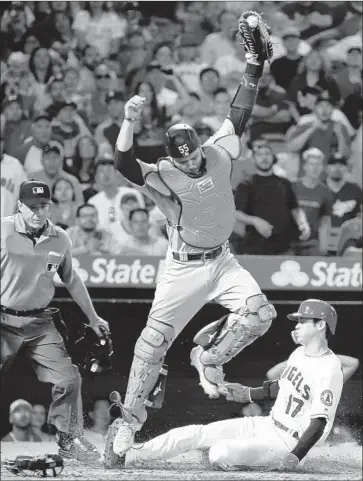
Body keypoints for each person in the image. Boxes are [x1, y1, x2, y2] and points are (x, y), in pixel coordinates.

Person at [105, 12, 278, 465]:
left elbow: (239, 110)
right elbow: (123, 166)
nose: (192, 163)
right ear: (172, 159)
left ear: (199, 145)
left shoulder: (218, 151)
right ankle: (127, 425)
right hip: (183, 267)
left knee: (260, 315)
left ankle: (211, 358)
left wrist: (254, 65)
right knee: (151, 343)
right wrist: (128, 120)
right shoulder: (163, 173)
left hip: (223, 261)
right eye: (184, 160)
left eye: (194, 154)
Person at [122, 299, 343, 472]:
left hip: (289, 442)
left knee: (219, 452)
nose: (297, 325)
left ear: (320, 325)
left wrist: (295, 456)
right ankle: (131, 454)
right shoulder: (299, 353)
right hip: (268, 424)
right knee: (198, 433)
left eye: (303, 321)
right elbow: (281, 387)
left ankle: (242, 459)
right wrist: (248, 394)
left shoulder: (330, 368)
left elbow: (319, 422)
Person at [1, 179, 110, 461]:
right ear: (20, 206)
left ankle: (69, 438)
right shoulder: (2, 230)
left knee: (69, 377)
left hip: (39, 322)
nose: (39, 212)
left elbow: (71, 279)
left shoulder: (59, 238)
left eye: (44, 206)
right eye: (33, 206)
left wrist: (93, 316)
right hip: (3, 320)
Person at [234, 142, 311, 255]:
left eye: (267, 154)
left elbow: (295, 208)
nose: (264, 158)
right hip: (255, 247)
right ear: (253, 159)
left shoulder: (284, 183)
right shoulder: (246, 184)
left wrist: (303, 223)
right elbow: (236, 213)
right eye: (259, 155)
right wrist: (255, 221)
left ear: (273, 158)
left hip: (285, 247)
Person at [292, 148, 333, 256]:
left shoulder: (326, 191)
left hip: (312, 242)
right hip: (290, 239)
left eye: (318, 164)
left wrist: (324, 246)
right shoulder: (292, 187)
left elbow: (325, 221)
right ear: (304, 166)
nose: (315, 168)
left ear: (322, 167)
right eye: (311, 164)